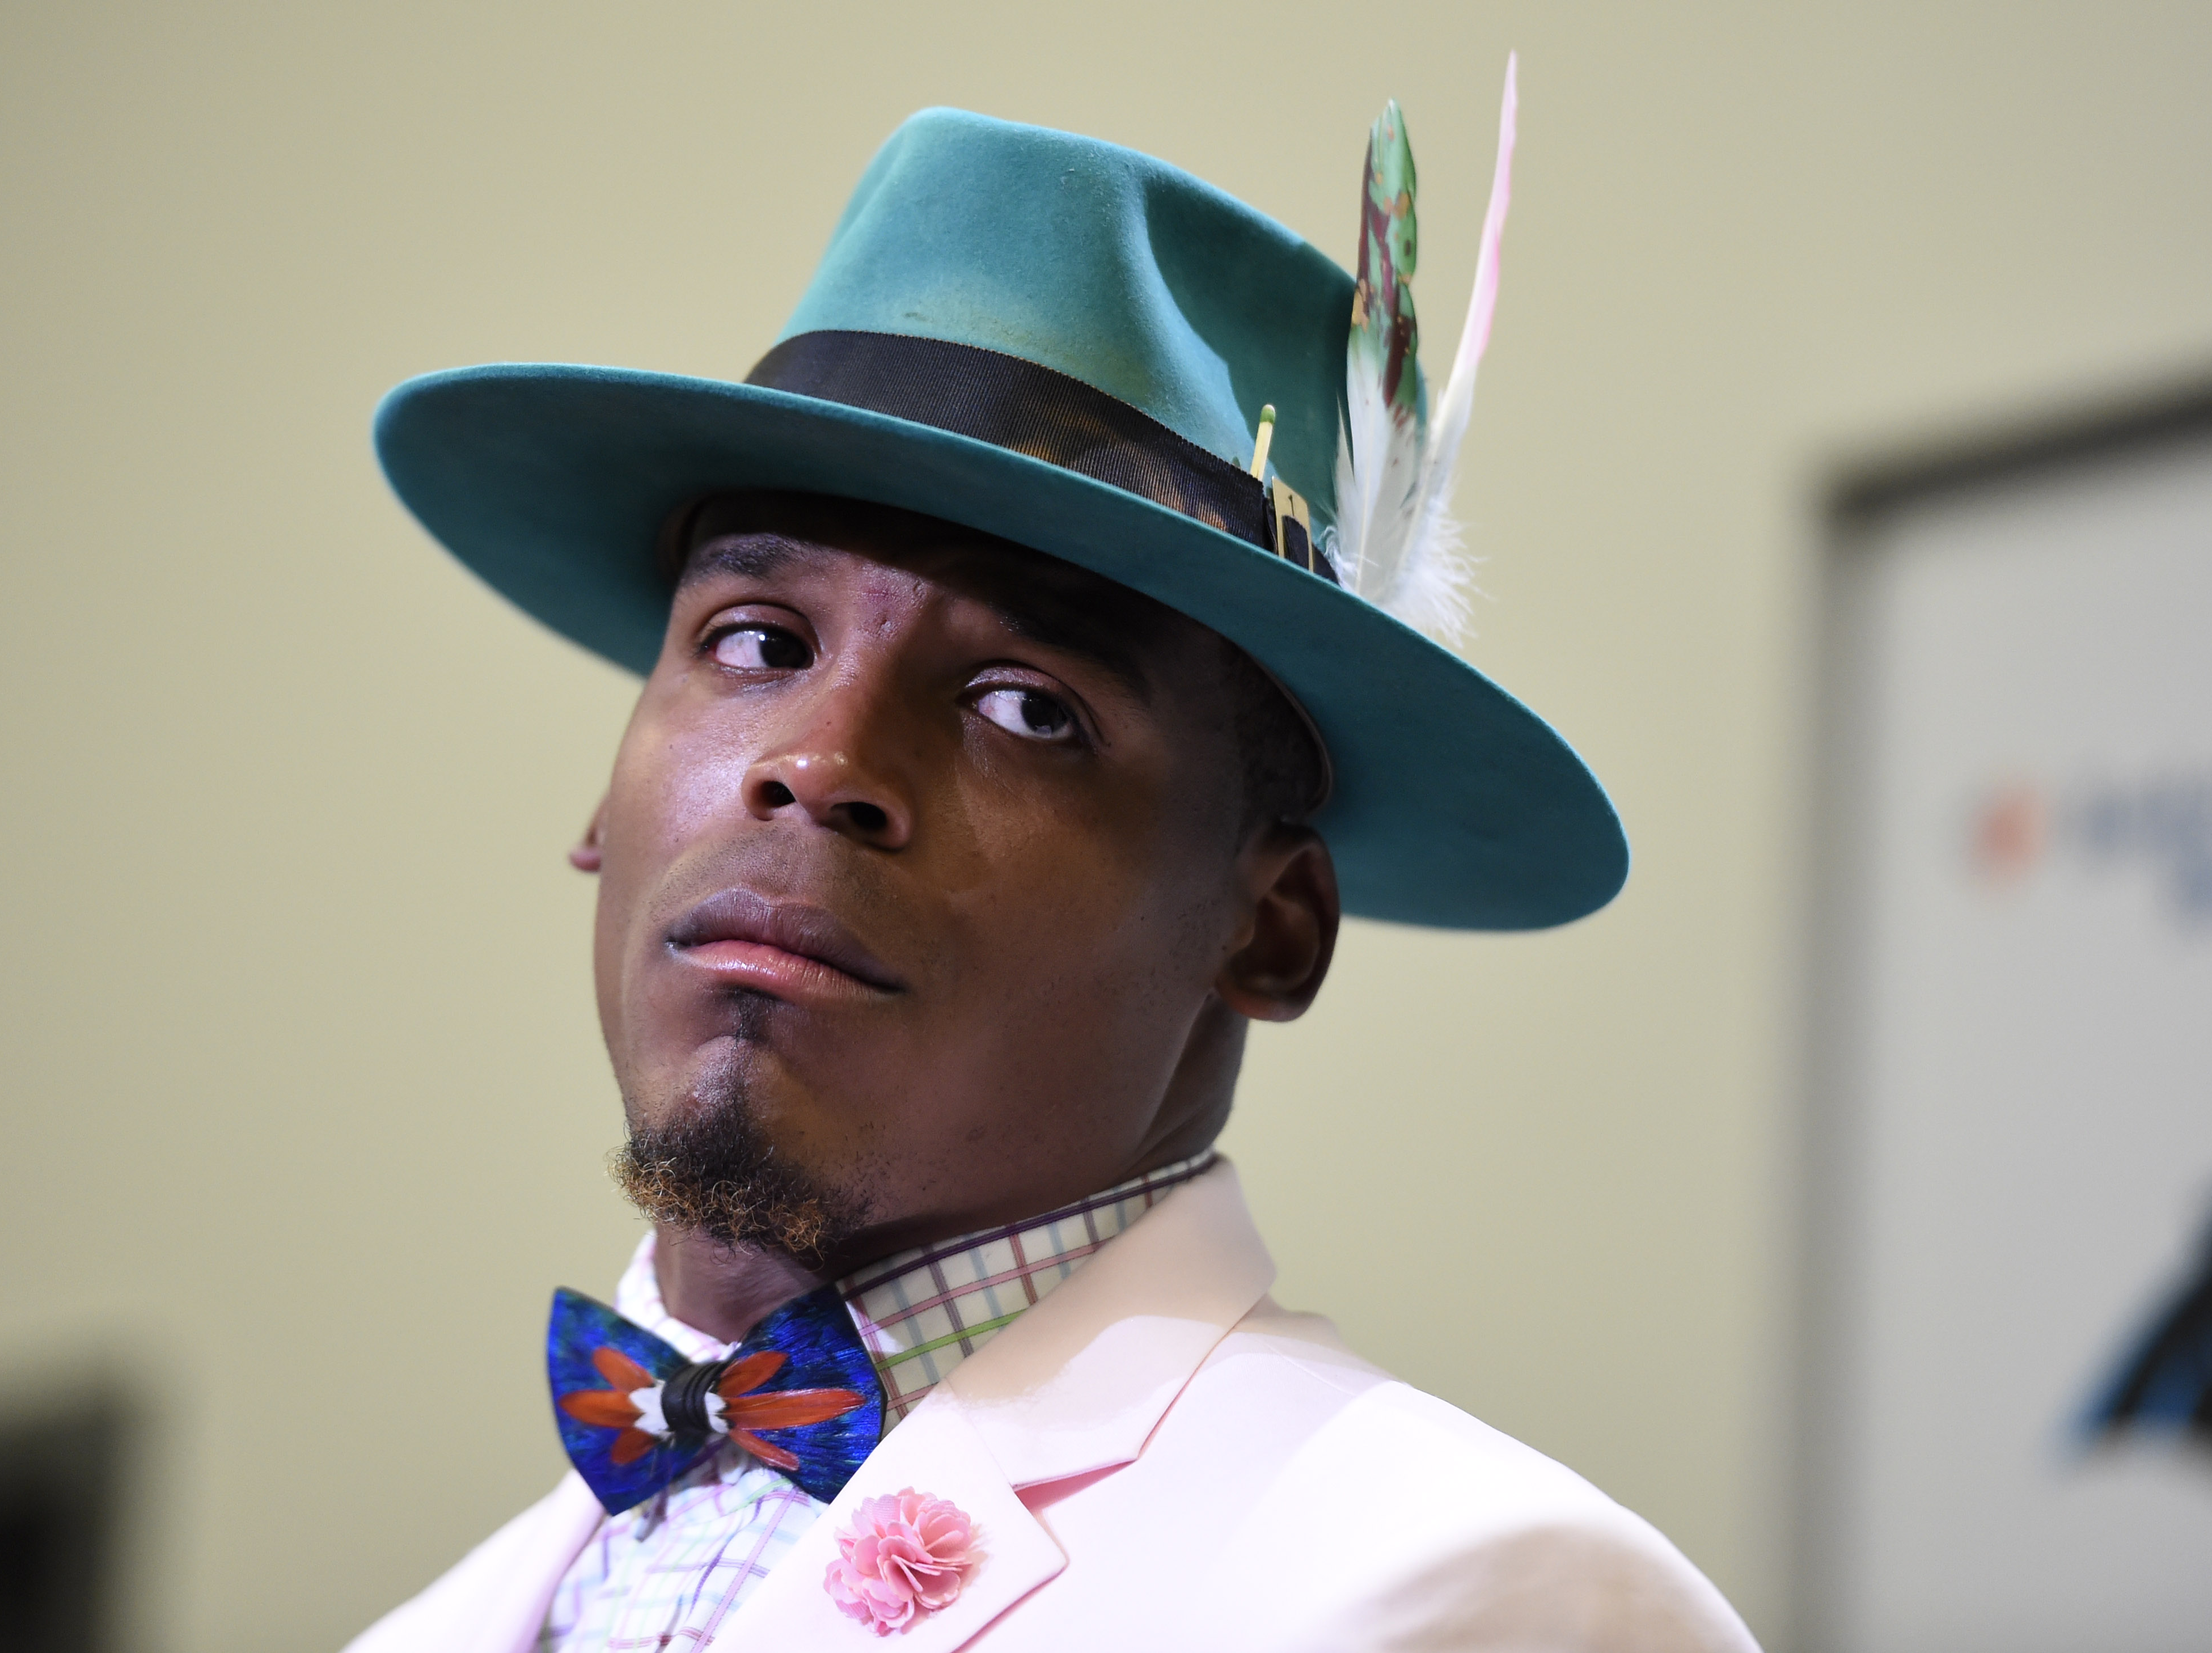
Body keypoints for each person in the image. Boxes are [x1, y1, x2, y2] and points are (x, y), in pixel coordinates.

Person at [348, 88, 1758, 1652]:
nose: (813, 764)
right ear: (603, 803)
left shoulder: (1468, 1590)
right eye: (755, 641)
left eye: (1028, 706)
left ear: (1269, 927)